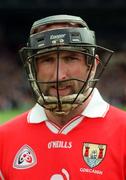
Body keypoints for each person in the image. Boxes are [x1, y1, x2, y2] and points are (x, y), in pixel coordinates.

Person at [0, 14, 126, 180]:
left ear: (92, 65)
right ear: (33, 68)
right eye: (47, 60)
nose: (59, 75)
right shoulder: (4, 139)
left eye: (70, 58)